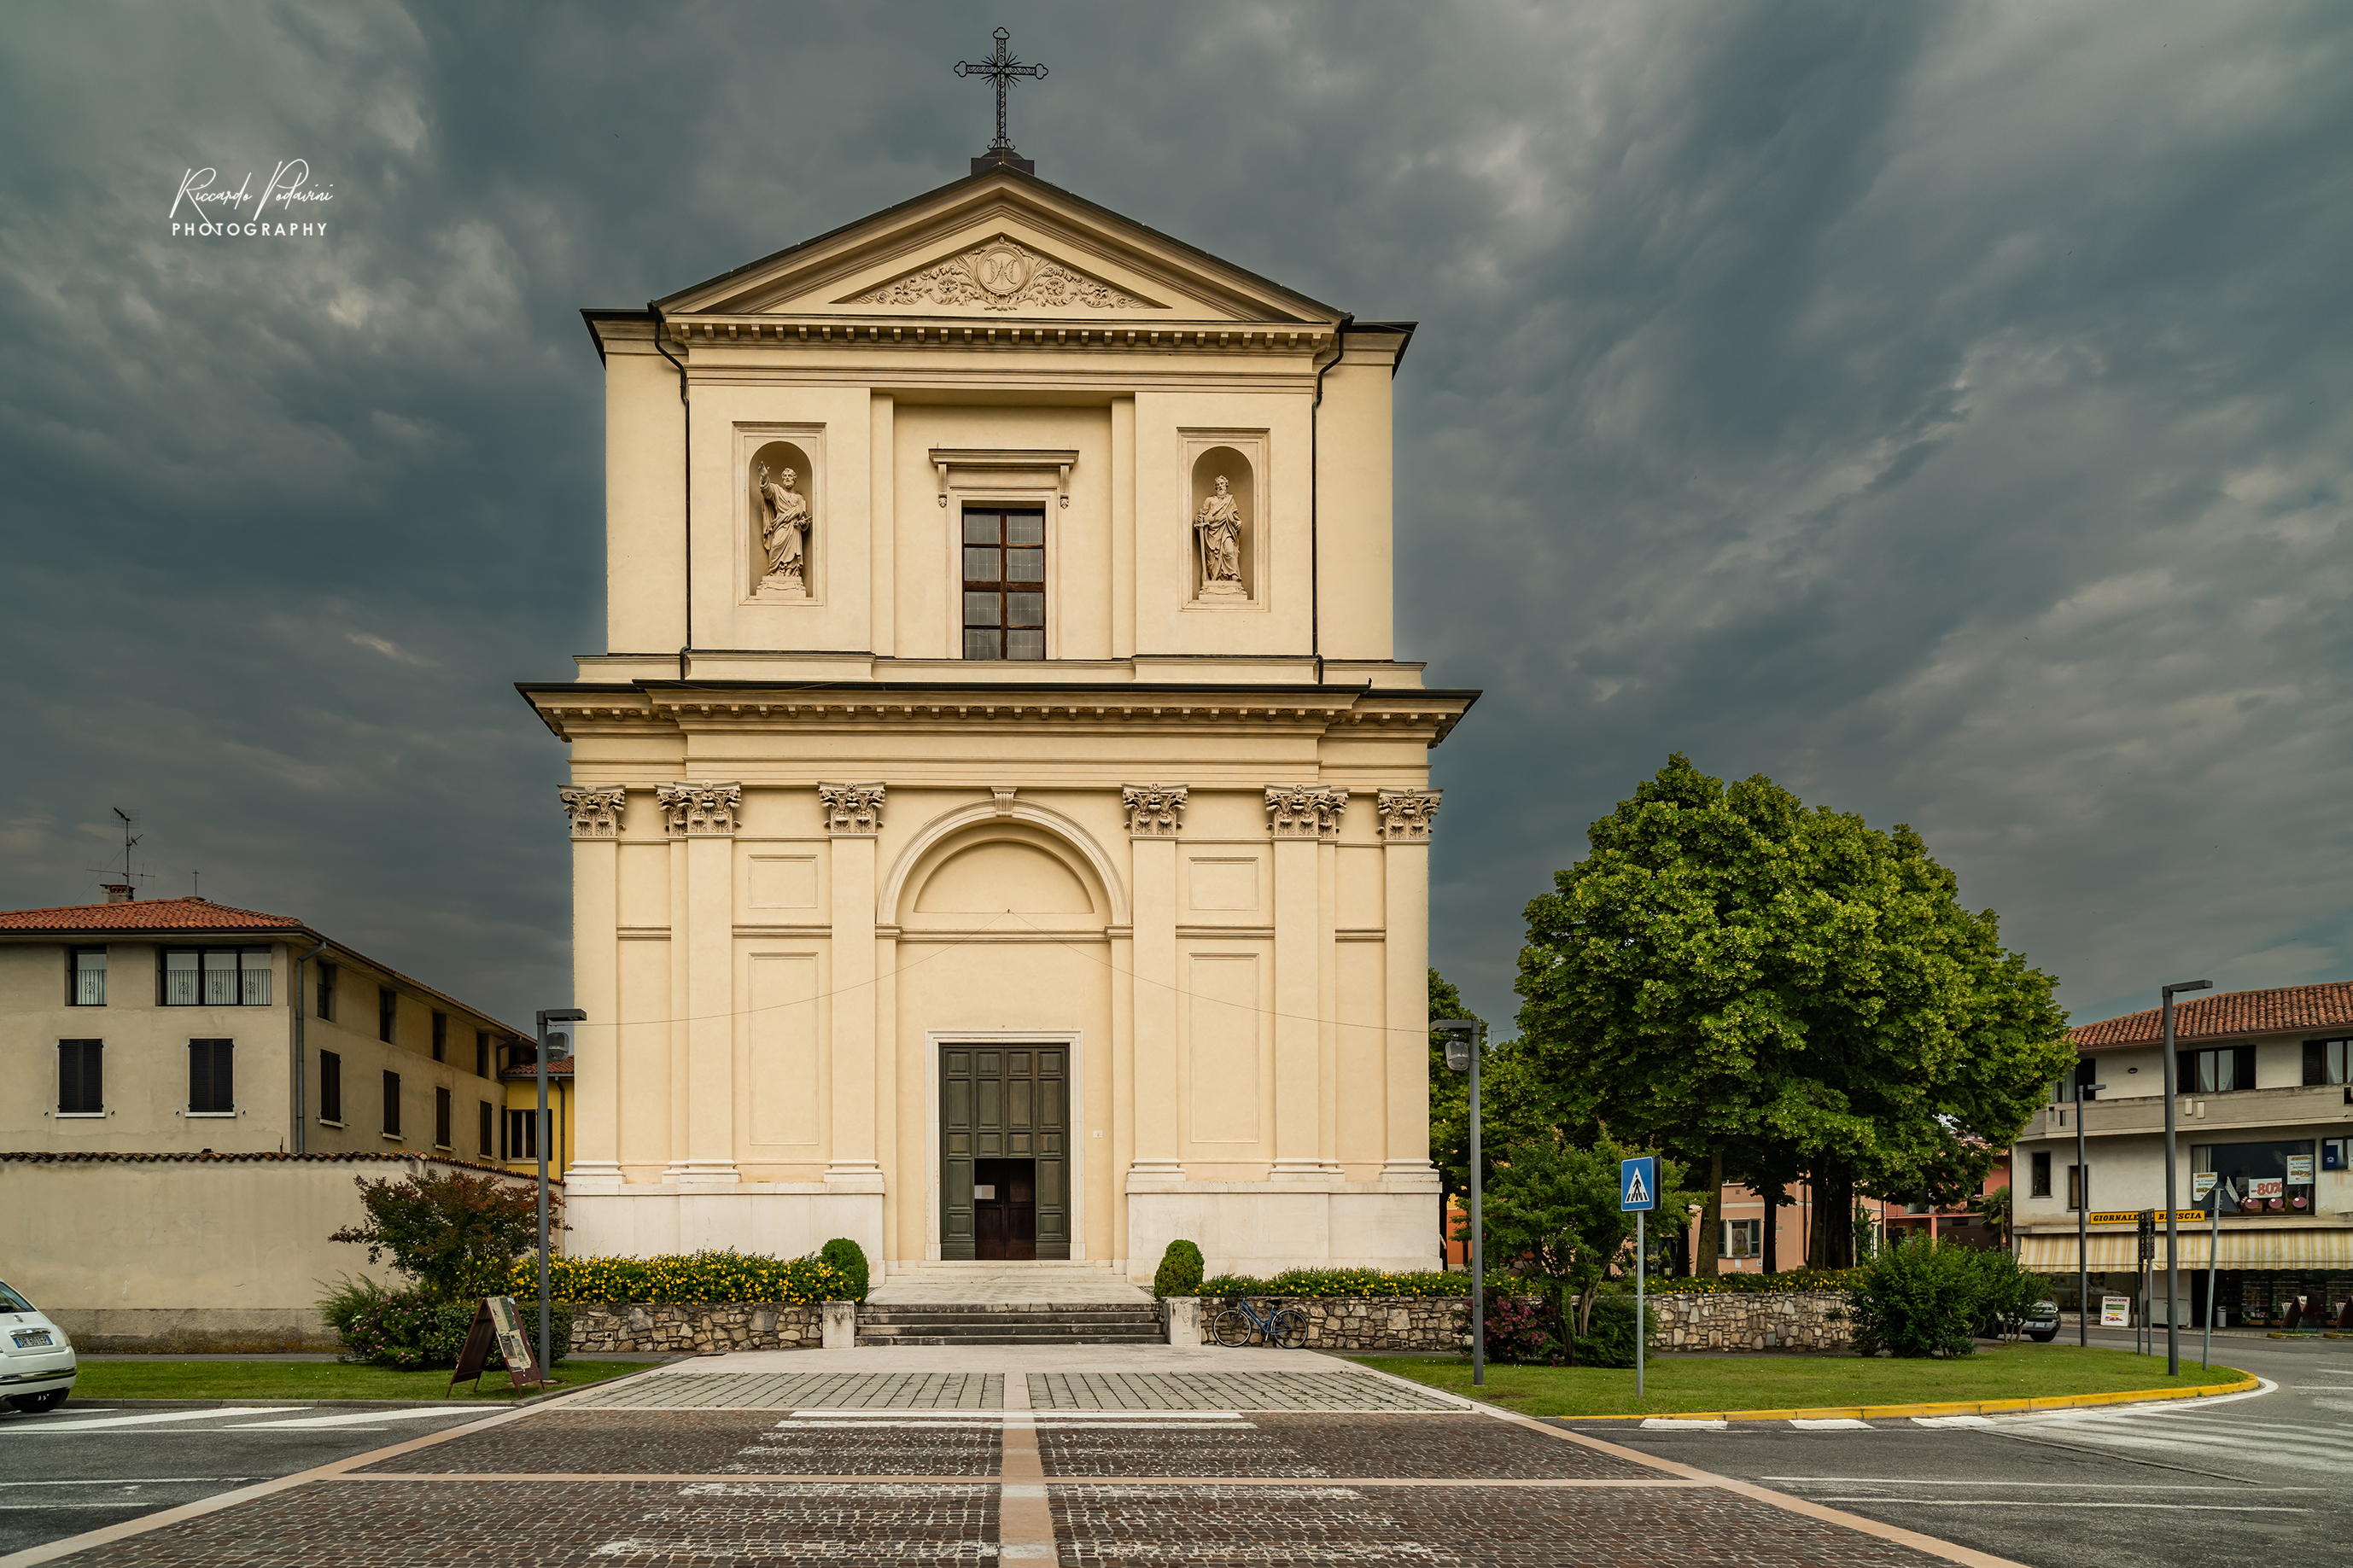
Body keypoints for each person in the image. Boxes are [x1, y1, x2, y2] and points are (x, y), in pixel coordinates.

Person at [758, 463, 809, 591]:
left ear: (794, 479)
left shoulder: (799, 498)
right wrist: (764, 478)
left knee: (792, 552)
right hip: (780, 526)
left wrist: (803, 522)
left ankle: (790, 573)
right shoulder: (777, 491)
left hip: (794, 529)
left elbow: (803, 516)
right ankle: (774, 572)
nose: (787, 478)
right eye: (785, 476)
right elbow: (766, 491)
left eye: (790, 476)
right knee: (775, 546)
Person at [1194, 475, 1243, 595]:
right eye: (1218, 485)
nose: (1220, 486)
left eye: (1222, 484)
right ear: (1216, 487)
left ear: (1226, 485)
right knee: (1212, 559)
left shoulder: (1230, 500)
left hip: (1226, 530)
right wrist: (1199, 518)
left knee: (1230, 550)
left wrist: (1238, 522)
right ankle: (1214, 579)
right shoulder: (1209, 500)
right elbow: (1202, 516)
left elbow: (1235, 515)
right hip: (1212, 534)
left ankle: (1234, 576)